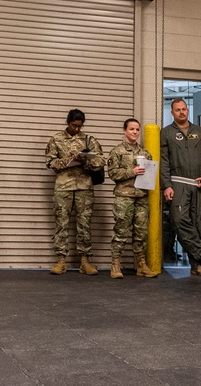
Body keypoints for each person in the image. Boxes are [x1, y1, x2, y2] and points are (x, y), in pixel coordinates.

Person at [159, 98, 201, 277]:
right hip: (178, 184)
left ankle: (197, 265)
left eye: (184, 109)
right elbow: (164, 161)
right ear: (172, 112)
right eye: (178, 110)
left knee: (199, 225)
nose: (182, 112)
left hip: (199, 185)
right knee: (179, 220)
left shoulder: (200, 132)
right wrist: (166, 185)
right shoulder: (166, 133)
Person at [45, 109, 104, 275]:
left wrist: (86, 160)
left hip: (84, 186)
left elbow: (100, 161)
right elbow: (50, 162)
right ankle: (61, 261)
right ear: (67, 122)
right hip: (63, 186)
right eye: (74, 125)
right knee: (61, 223)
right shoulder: (56, 139)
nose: (77, 129)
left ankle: (85, 261)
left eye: (80, 126)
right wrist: (68, 160)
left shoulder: (89, 140)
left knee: (84, 224)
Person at [106, 118, 156, 279]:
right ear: (124, 131)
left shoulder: (145, 153)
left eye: (137, 130)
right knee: (121, 231)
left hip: (141, 196)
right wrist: (131, 171)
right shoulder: (117, 151)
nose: (134, 132)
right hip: (124, 196)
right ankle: (115, 265)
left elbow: (150, 175)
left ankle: (141, 265)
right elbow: (113, 173)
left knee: (141, 233)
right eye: (131, 129)